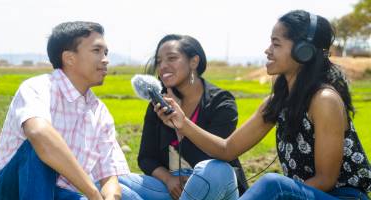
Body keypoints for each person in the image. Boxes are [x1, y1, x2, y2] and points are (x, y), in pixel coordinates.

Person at [155, 10, 371, 199]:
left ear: (303, 51)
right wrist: (182, 123)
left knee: (273, 184)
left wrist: (279, 195)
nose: (267, 50)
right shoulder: (279, 101)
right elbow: (227, 149)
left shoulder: (324, 100)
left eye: (276, 44)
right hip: (298, 195)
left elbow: (326, 180)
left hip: (342, 197)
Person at [0, 21, 130, 200]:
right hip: (7, 191)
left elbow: (109, 176)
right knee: (39, 146)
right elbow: (39, 133)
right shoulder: (38, 87)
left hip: (58, 194)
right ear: (69, 58)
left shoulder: (100, 112)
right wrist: (92, 192)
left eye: (106, 52)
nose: (105, 59)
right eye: (97, 51)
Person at [118, 34, 248, 200]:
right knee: (114, 183)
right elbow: (146, 157)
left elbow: (215, 158)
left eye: (172, 58)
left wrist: (181, 126)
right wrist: (168, 179)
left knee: (213, 170)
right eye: (159, 61)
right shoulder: (159, 104)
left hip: (212, 187)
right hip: (173, 188)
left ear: (194, 61)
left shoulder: (221, 102)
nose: (163, 66)